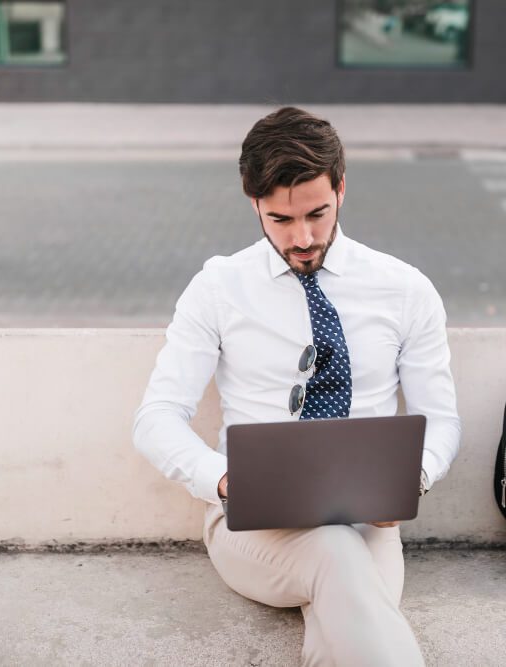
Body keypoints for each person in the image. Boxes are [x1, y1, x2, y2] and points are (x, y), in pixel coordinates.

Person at [132, 106, 461, 666]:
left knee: (347, 602)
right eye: (281, 220)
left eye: (317, 214)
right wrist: (229, 480)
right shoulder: (219, 287)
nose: (303, 238)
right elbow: (156, 418)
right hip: (250, 524)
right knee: (342, 567)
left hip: (369, 523)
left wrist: (411, 481)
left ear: (341, 188)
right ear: (253, 201)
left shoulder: (405, 289)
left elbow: (443, 419)